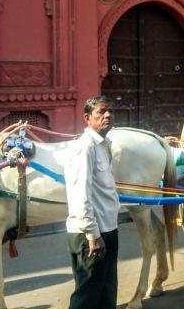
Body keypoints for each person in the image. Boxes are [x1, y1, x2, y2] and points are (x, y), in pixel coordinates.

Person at [64, 95, 120, 309]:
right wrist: (93, 235)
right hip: (91, 234)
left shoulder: (103, 145)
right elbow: (80, 194)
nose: (108, 115)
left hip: (107, 229)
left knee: (106, 293)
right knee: (87, 297)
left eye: (111, 111)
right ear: (87, 118)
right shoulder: (85, 148)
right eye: (101, 112)